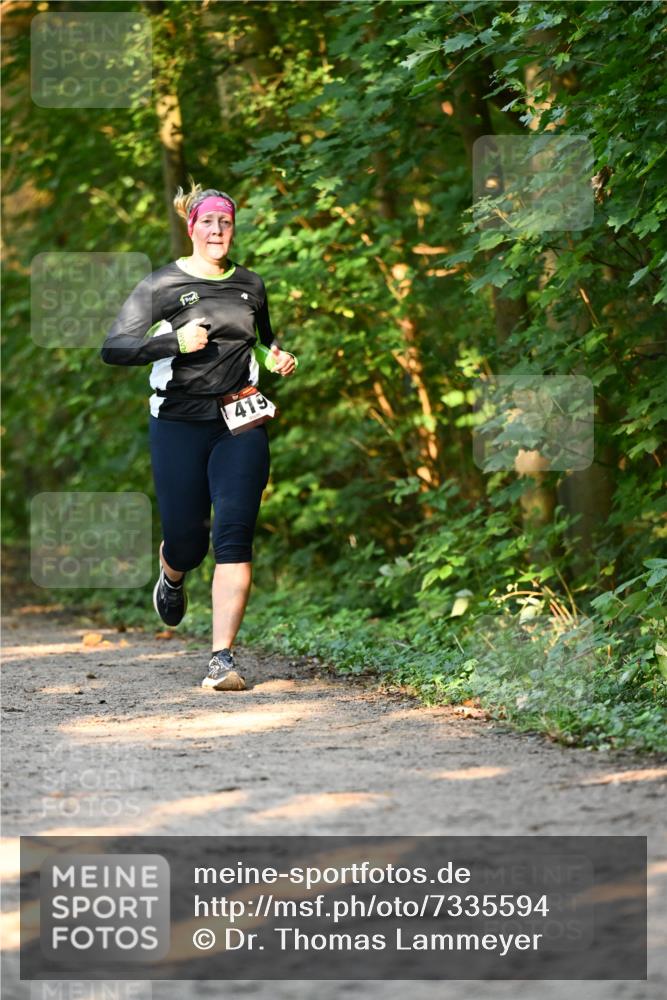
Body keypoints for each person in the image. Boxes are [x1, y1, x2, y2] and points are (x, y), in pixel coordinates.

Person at [100, 182, 297, 691]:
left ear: (233, 229)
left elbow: (264, 334)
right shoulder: (162, 285)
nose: (217, 231)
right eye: (208, 222)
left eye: (225, 223)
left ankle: (222, 661)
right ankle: (172, 572)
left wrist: (277, 354)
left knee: (234, 534)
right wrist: (172, 340)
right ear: (192, 228)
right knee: (189, 539)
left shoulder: (251, 284)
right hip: (178, 422)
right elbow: (115, 347)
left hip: (241, 419)